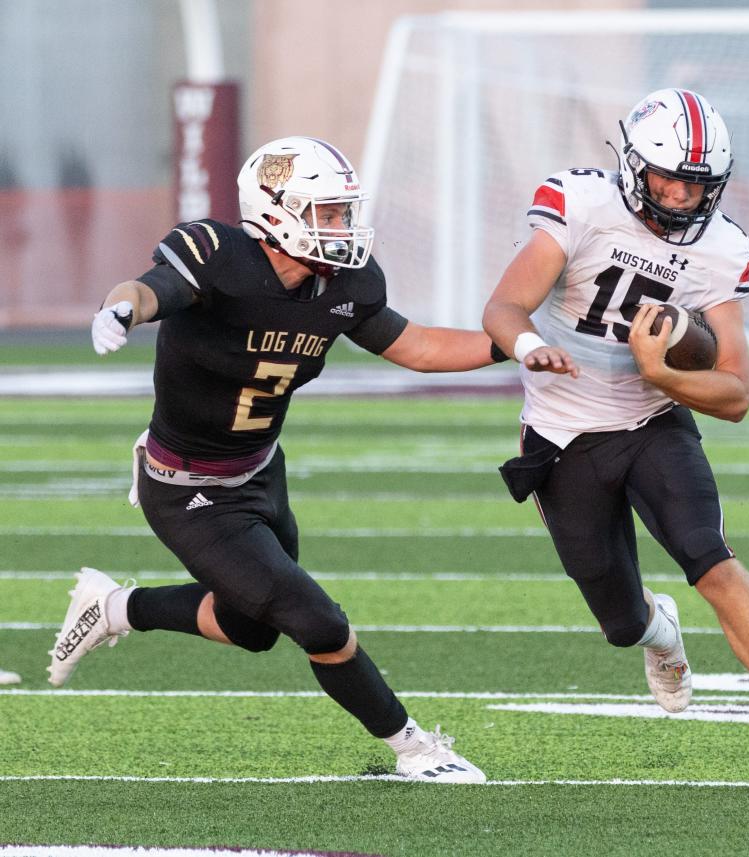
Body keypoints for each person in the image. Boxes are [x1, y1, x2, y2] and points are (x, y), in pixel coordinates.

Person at [47, 136, 507, 784]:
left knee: (251, 627)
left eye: (342, 211)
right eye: (326, 212)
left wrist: (515, 343)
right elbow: (151, 288)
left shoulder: (343, 283)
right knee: (315, 618)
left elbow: (421, 346)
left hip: (261, 472)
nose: (341, 227)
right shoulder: (216, 256)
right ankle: (414, 746)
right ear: (275, 212)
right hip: (187, 490)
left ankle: (116, 607)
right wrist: (121, 307)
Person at [483, 89, 749, 780]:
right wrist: (529, 346)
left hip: (651, 421)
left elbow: (736, 394)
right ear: (633, 165)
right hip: (563, 436)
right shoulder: (581, 205)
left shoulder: (722, 248)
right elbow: (502, 304)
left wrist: (663, 374)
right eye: (669, 177)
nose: (681, 195)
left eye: (698, 184)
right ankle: (660, 630)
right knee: (619, 617)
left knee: (711, 557)